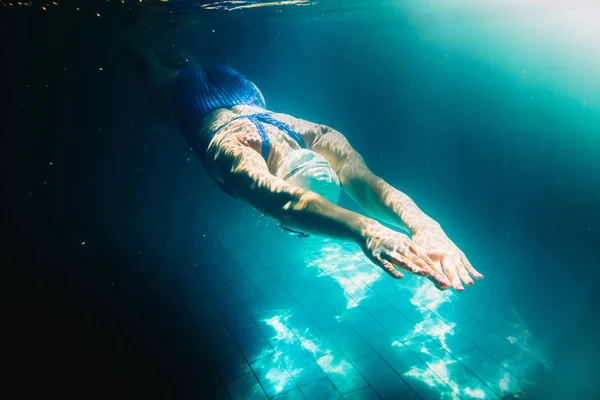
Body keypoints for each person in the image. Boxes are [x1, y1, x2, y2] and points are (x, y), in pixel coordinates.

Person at [126, 43, 483, 292]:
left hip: (241, 91)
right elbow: (289, 203)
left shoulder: (316, 136)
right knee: (154, 74)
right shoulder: (236, 156)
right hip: (194, 102)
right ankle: (127, 39)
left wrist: (426, 226)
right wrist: (368, 231)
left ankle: (175, 56)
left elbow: (365, 183)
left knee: (186, 68)